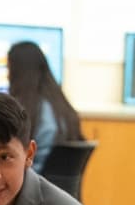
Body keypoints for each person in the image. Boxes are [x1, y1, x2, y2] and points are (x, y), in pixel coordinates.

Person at [6, 41, 82, 172]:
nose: (7, 75)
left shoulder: (25, 112)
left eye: (8, 68)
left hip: (33, 187)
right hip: (56, 190)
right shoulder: (63, 108)